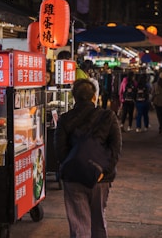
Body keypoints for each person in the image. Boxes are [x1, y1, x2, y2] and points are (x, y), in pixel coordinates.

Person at [54, 79, 122, 238]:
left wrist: (73, 167)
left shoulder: (64, 119)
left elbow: (60, 151)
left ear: (74, 98)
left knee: (79, 223)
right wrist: (103, 172)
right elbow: (115, 149)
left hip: (73, 178)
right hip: (100, 179)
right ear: (94, 97)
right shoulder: (108, 116)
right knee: (98, 220)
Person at [151, 69, 162, 134]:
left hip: (157, 101)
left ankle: (161, 126)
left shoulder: (155, 84)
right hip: (158, 100)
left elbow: (153, 93)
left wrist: (152, 100)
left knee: (159, 115)